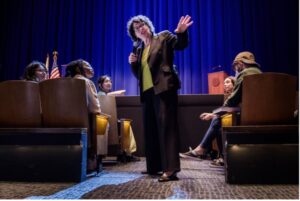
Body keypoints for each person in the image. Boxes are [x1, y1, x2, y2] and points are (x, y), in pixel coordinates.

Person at [127, 15, 193, 182]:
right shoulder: (140, 50)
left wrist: (181, 33)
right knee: (151, 130)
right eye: (137, 28)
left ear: (148, 26)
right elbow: (140, 76)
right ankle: (154, 166)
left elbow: (180, 45)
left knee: (166, 128)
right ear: (135, 34)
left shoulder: (163, 37)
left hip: (164, 88)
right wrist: (134, 64)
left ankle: (171, 169)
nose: (141, 28)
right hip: (148, 92)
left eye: (142, 24)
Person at [181, 51, 262, 167]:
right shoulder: (260, 74)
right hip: (264, 116)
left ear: (240, 63)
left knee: (218, 120)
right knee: (219, 122)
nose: (235, 69)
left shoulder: (245, 74)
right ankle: (215, 154)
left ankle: (202, 149)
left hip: (248, 117)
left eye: (235, 66)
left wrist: (216, 113)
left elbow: (233, 100)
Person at [180, 76, 236, 161]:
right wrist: (212, 114)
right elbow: (225, 112)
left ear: (234, 84)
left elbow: (232, 110)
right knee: (218, 125)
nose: (225, 84)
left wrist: (212, 115)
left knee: (216, 120)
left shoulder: (235, 96)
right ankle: (220, 156)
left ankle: (201, 150)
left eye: (228, 82)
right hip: (227, 120)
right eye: (224, 83)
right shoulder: (227, 97)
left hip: (235, 120)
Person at [97, 74, 140, 162]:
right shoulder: (100, 95)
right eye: (106, 81)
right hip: (103, 122)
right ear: (100, 85)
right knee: (125, 126)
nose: (109, 83)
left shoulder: (107, 95)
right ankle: (127, 154)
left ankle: (125, 153)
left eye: (110, 81)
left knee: (126, 125)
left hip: (110, 121)